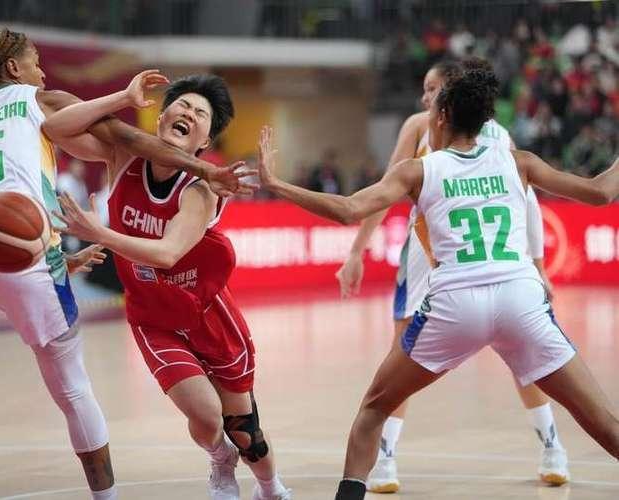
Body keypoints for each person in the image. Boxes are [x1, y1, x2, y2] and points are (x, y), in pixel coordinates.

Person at [0, 28, 251, 500]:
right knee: (73, 388)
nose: (43, 72)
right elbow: (124, 136)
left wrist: (60, 256)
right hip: (26, 261)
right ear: (14, 68)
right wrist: (203, 165)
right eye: (35, 62)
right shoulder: (37, 98)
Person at [256, 68, 619, 500]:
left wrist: (276, 184)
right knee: (599, 419)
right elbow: (601, 193)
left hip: (454, 304)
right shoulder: (517, 160)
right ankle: (554, 449)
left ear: (442, 116)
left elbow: (349, 209)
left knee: (374, 409)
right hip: (520, 299)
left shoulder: (419, 170)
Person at [43, 74, 290, 500]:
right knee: (206, 416)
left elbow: (167, 253)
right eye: (183, 105)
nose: (189, 113)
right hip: (154, 317)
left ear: (204, 141)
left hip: (206, 312)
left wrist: (100, 233)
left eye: (200, 114)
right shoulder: (122, 155)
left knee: (246, 433)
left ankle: (270, 488)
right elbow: (55, 125)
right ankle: (219, 460)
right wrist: (121, 97)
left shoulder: (201, 189)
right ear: (160, 117)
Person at [334, 59, 564, 493]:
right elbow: (383, 194)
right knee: (401, 353)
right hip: (427, 256)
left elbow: (529, 203)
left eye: (432, 89)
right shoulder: (419, 126)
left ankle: (552, 445)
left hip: (479, 259)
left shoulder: (496, 138)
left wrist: (538, 266)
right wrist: (357, 251)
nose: (424, 97)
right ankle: (385, 457)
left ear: (452, 95)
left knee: (520, 354)